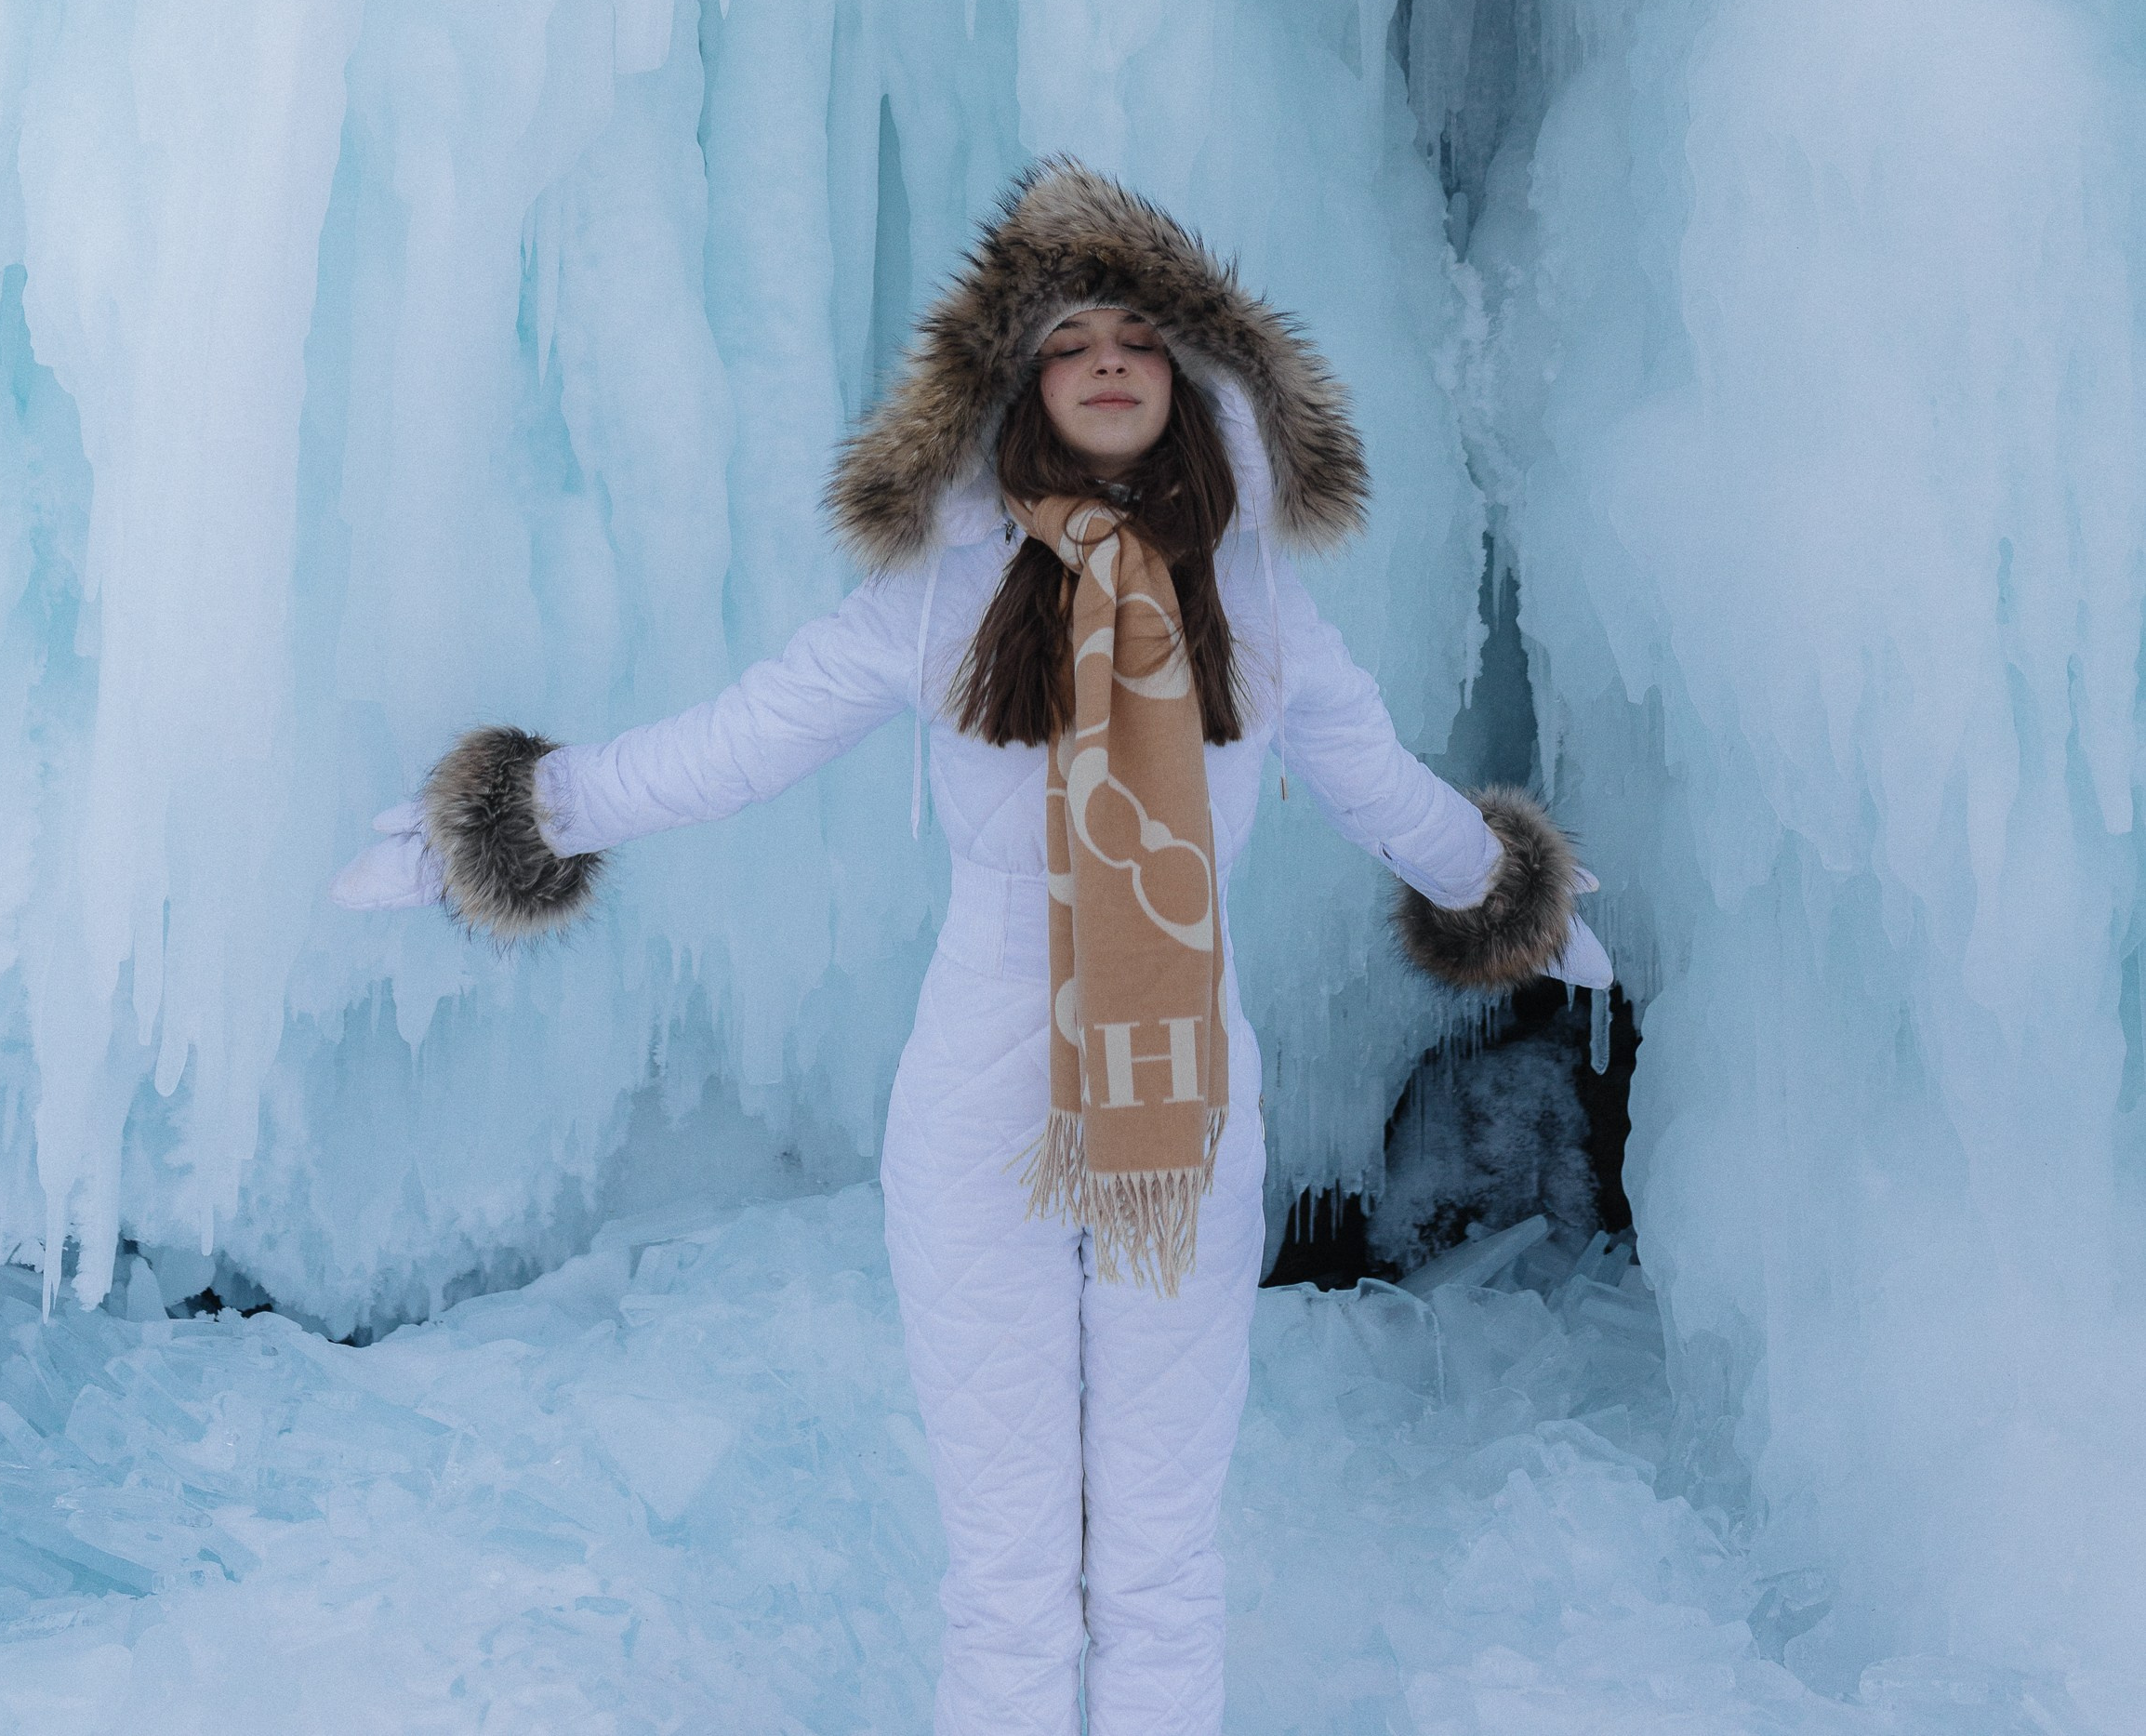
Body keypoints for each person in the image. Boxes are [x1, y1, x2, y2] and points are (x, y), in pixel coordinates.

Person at [336, 160, 1610, 1736]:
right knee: (1005, 1566)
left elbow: (1383, 793)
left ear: (1195, 379)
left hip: (1185, 1103)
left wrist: (1518, 895)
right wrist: (528, 815)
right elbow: (738, 742)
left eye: (1139, 335)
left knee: (1156, 1561)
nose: (1107, 360)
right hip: (980, 1090)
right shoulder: (939, 604)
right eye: (1070, 339)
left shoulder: (1260, 608)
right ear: (1016, 387)